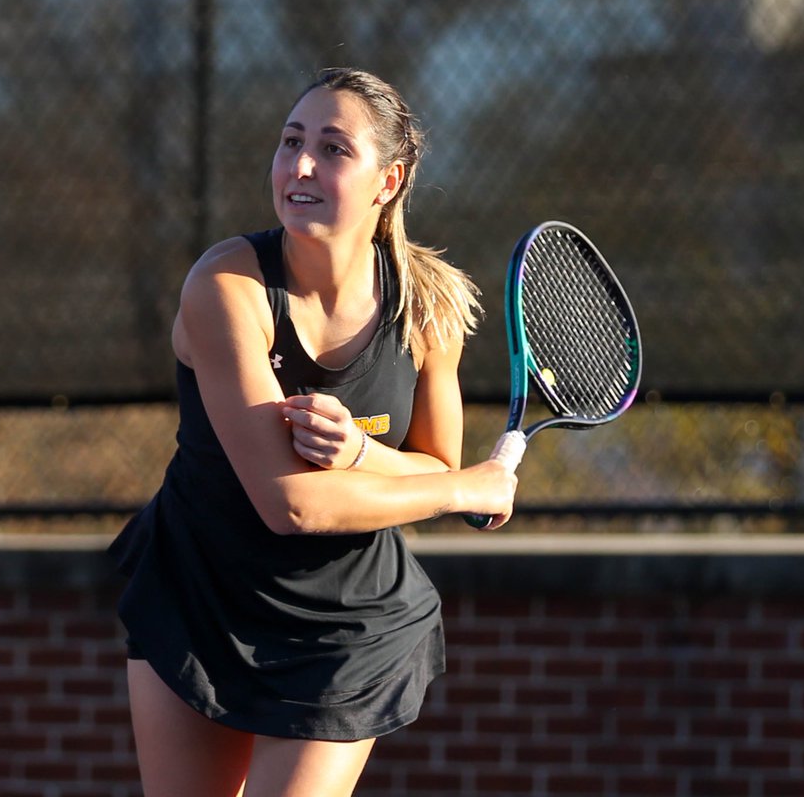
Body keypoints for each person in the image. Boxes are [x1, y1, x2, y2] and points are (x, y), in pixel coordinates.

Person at [108, 67, 518, 797]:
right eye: (291, 141)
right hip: (200, 595)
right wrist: (466, 489)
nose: (300, 165)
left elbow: (429, 462)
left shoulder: (425, 311)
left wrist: (364, 452)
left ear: (387, 181)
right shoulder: (226, 286)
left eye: (333, 149)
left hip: (346, 628)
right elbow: (292, 504)